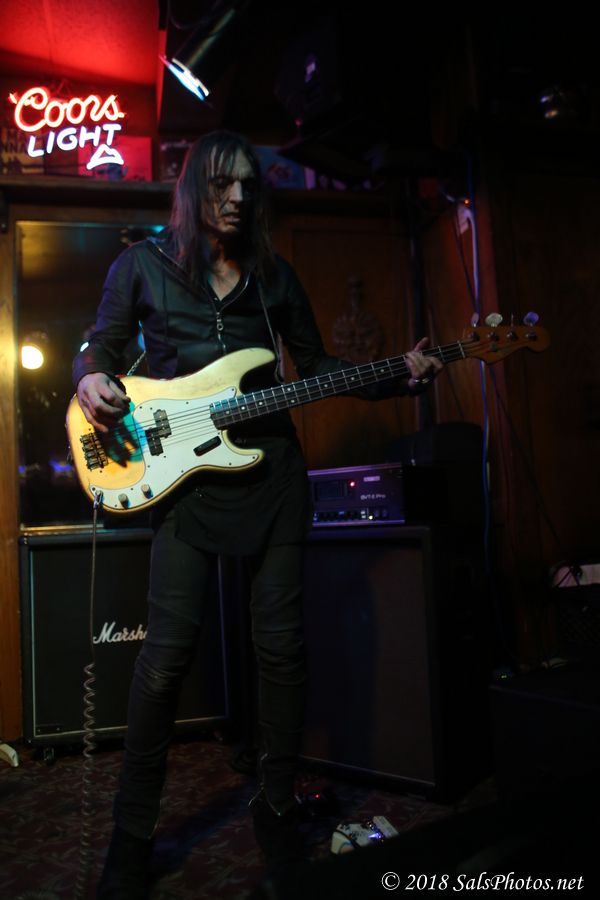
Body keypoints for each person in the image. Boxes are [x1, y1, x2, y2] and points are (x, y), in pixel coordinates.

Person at [73, 130, 443, 898]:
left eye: (249, 184)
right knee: (164, 659)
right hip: (183, 483)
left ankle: (276, 809)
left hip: (271, 477)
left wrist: (399, 375)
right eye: (223, 184)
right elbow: (98, 348)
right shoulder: (141, 265)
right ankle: (132, 834)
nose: (239, 197)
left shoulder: (274, 274)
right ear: (193, 189)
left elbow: (320, 365)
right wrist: (90, 380)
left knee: (282, 651)